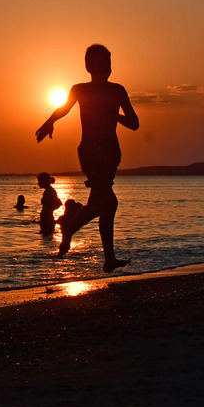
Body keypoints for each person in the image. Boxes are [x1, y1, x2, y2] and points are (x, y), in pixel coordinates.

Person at [36, 44, 139, 273]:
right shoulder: (80, 89)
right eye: (103, 63)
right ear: (88, 66)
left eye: (109, 63)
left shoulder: (117, 90)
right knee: (107, 202)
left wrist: (116, 116)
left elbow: (134, 124)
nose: (107, 68)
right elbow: (63, 108)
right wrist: (49, 122)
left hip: (110, 151)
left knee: (104, 204)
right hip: (92, 152)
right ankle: (71, 229)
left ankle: (108, 258)